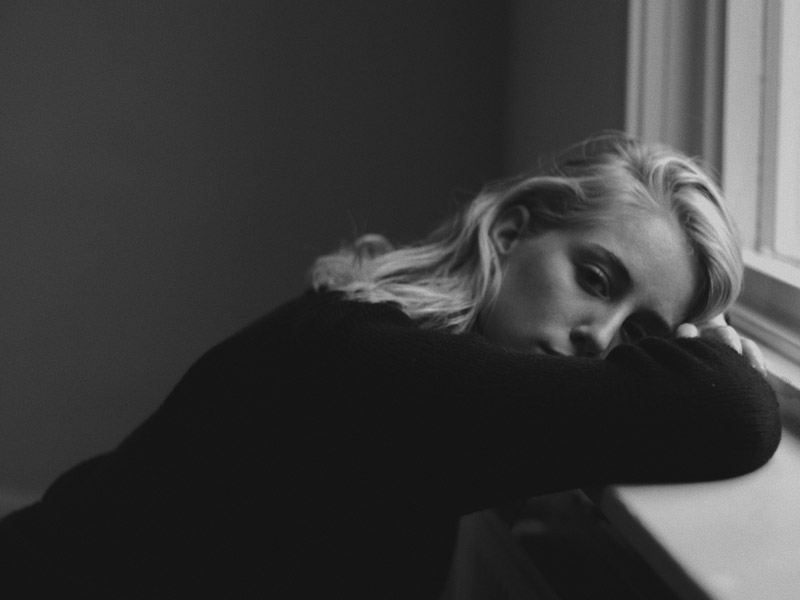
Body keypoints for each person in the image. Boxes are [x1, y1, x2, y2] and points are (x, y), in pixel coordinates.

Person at [0, 133, 781, 598]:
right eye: (597, 280)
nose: (600, 338)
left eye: (639, 334)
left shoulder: (383, 339)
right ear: (511, 233)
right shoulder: (376, 367)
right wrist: (716, 366)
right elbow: (736, 414)